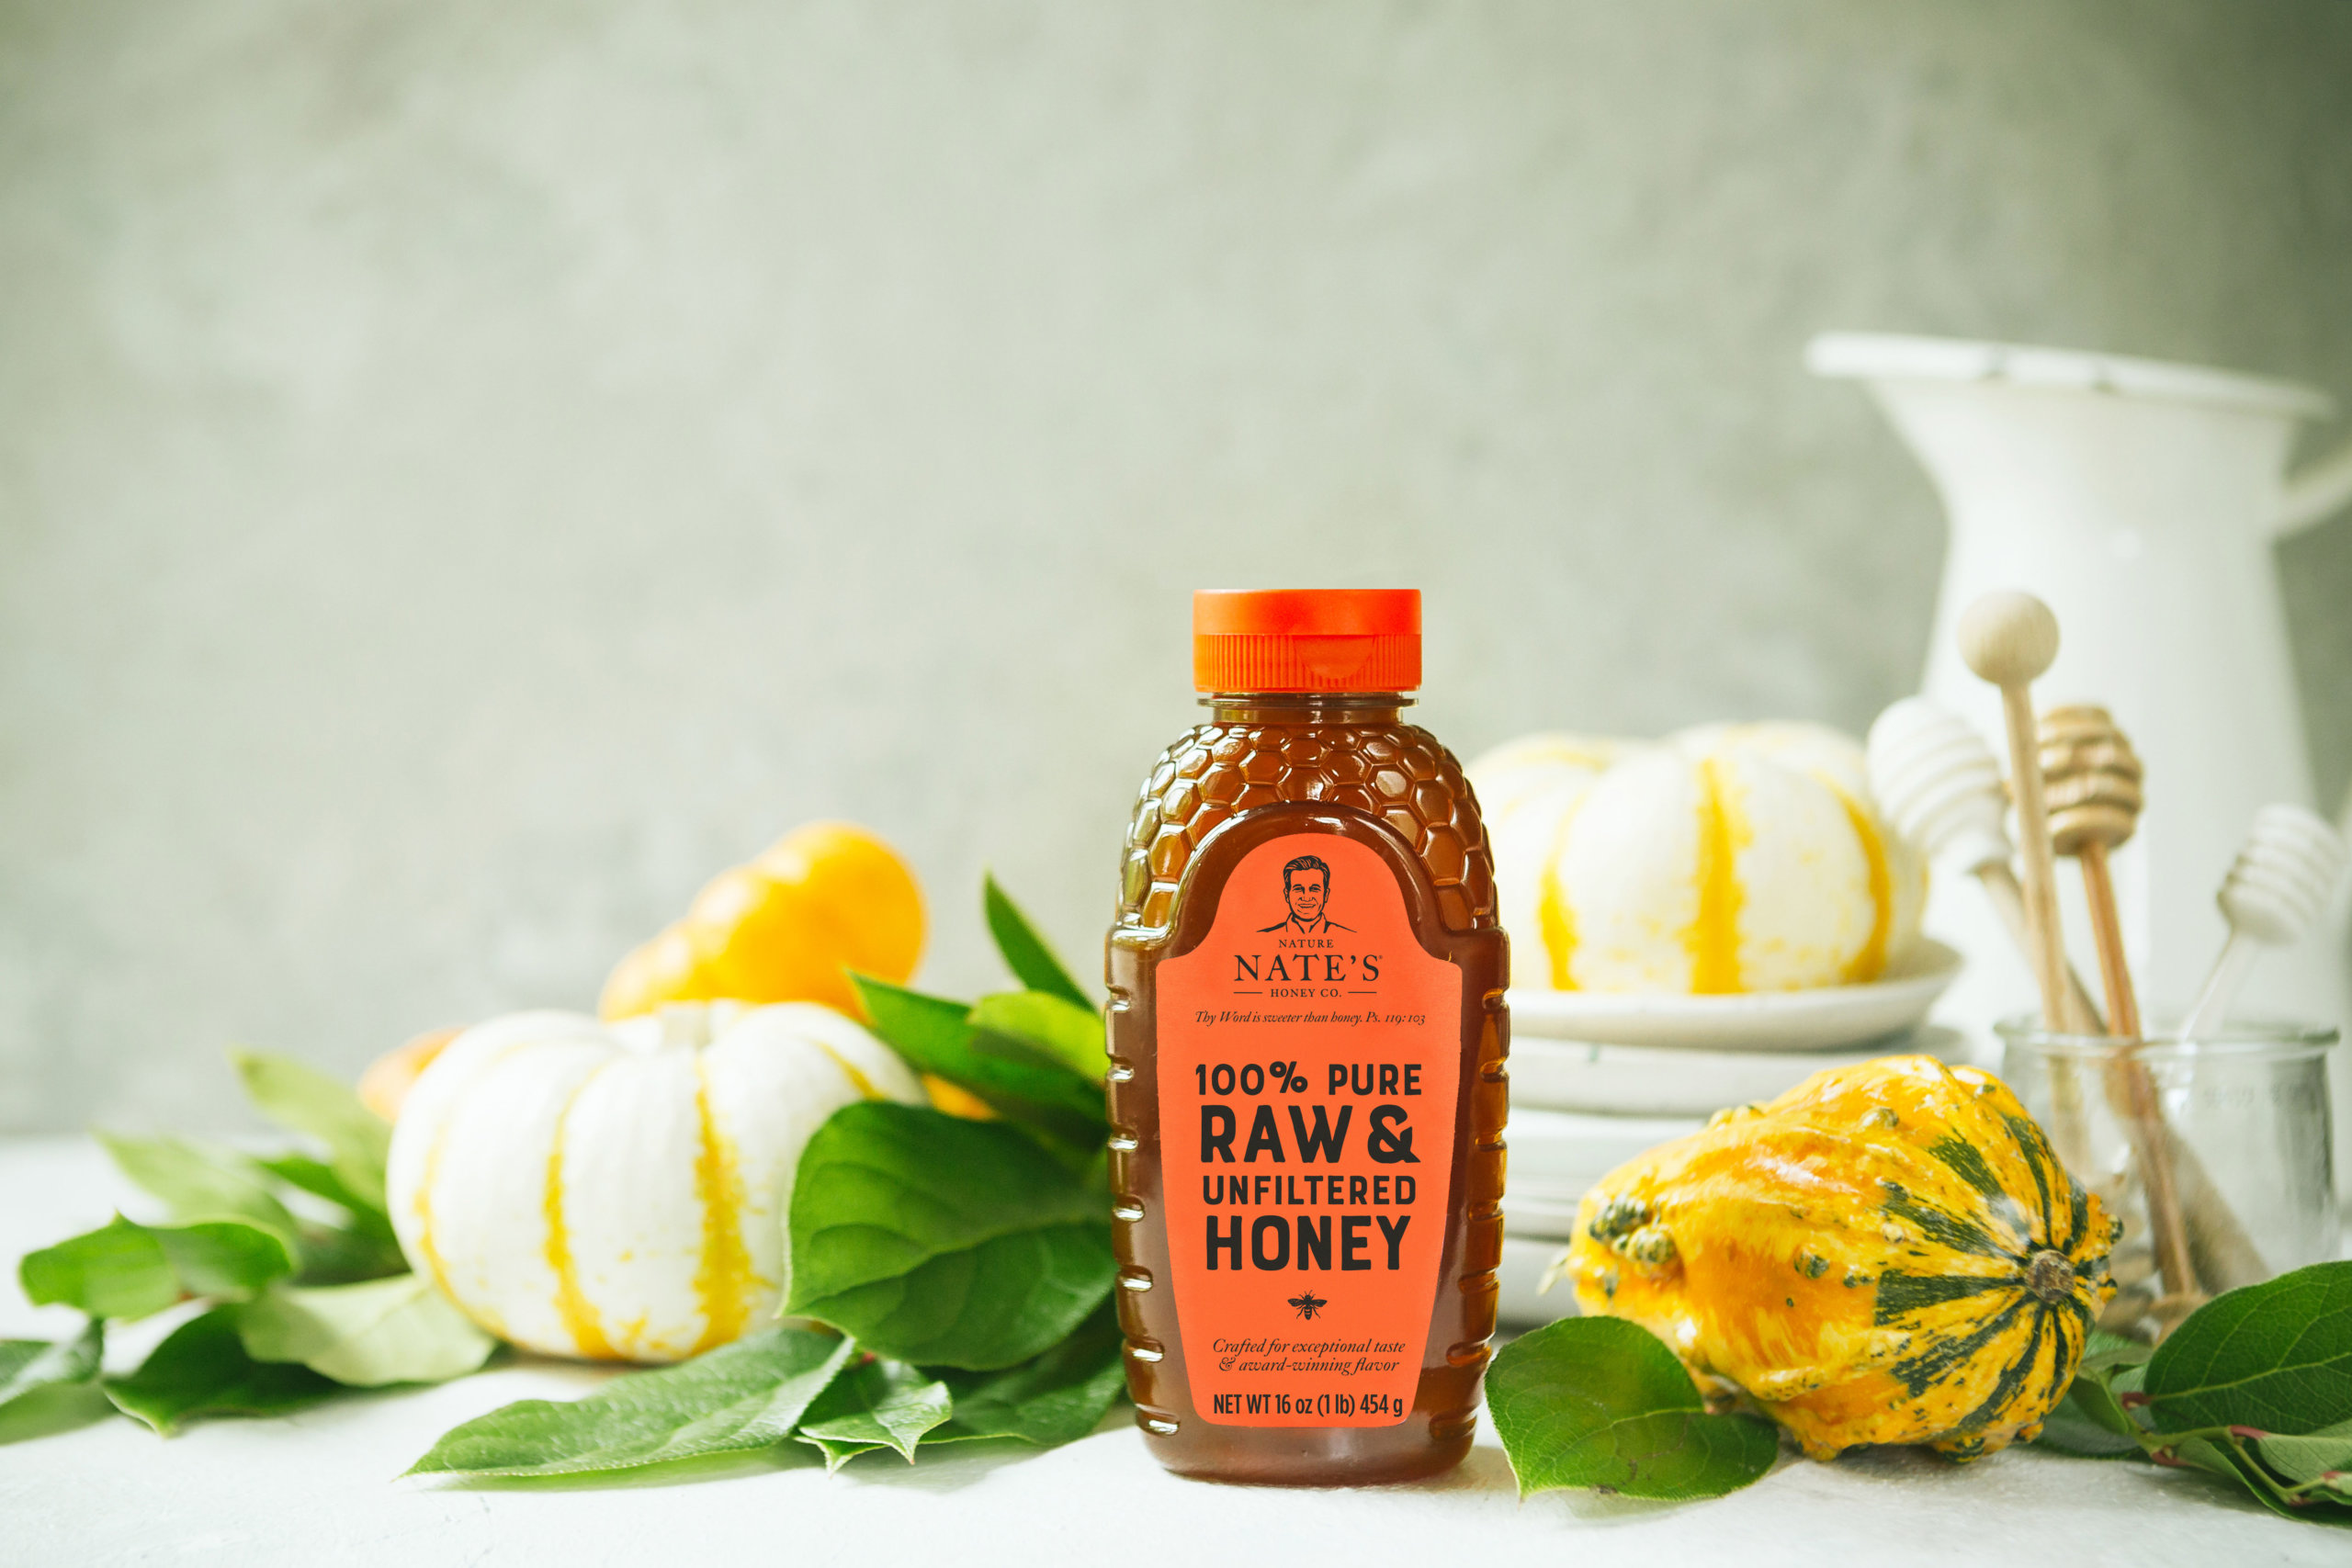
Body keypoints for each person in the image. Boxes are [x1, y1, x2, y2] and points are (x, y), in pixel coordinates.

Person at [1261, 854, 1350, 934]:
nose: (1306, 898)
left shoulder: (1348, 936)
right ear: (1287, 894)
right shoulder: (1264, 937)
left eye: (1314, 889)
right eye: (1298, 889)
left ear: (1326, 895)